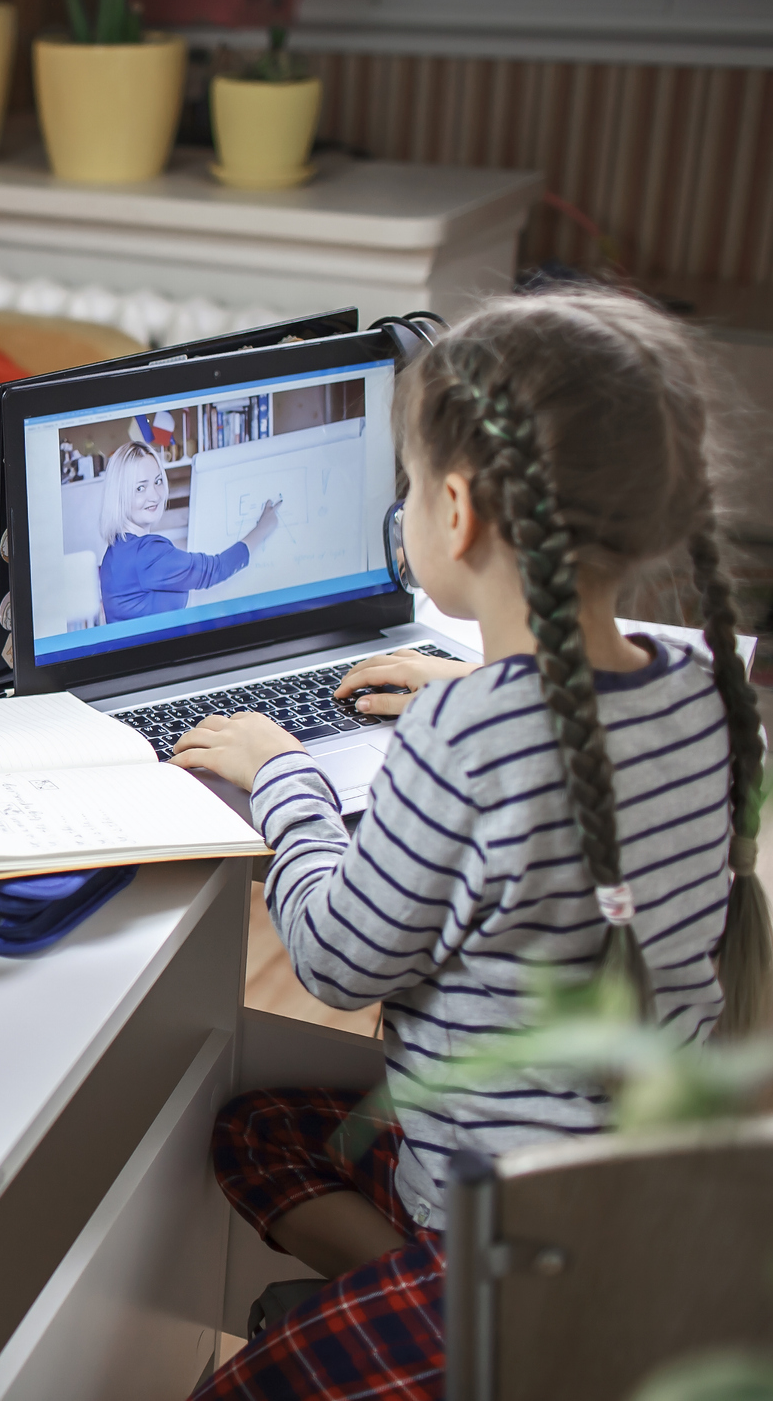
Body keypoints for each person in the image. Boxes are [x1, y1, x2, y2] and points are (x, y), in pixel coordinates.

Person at [168, 287, 767, 1398]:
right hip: (642, 1190)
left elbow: (341, 960)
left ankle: (489, 1338)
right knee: (259, 1125)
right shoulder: (709, 695)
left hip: (505, 1232)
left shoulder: (466, 736)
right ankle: (447, 1319)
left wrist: (282, 775)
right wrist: (478, 686)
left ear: (455, 510)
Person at [95, 440, 280, 623]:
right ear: (120, 495)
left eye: (158, 481)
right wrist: (263, 527)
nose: (155, 495)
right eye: (140, 488)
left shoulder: (115, 550)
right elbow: (216, 569)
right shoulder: (147, 553)